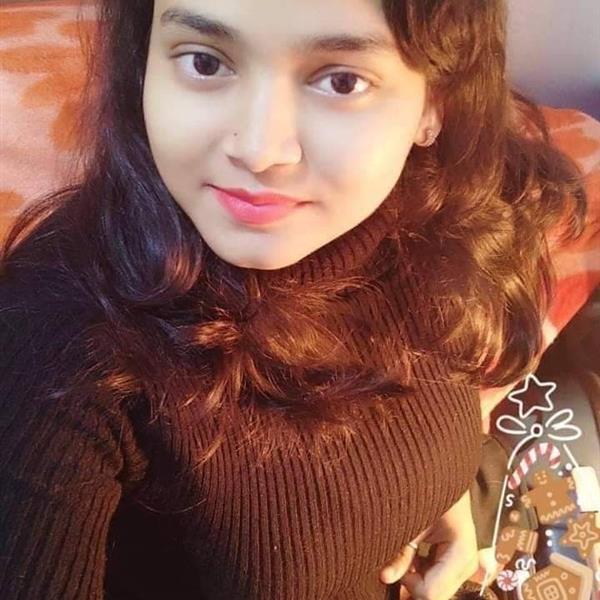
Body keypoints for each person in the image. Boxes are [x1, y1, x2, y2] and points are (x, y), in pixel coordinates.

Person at [0, 0, 588, 598]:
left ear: (434, 101)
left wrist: (438, 496)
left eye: (342, 81)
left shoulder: (440, 220)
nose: (259, 150)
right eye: (205, 62)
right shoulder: (58, 343)